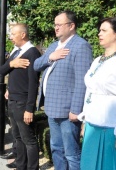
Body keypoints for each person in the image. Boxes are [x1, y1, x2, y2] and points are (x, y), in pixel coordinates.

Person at [33, 11, 92, 170]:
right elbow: (36, 65)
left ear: (71, 26)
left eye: (59, 24)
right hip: (52, 108)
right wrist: (50, 57)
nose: (56, 28)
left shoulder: (81, 46)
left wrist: (76, 110)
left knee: (71, 153)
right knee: (56, 149)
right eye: (55, 24)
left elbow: (82, 81)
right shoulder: (54, 45)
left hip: (68, 111)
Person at [78, 17, 116, 170]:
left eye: (104, 31)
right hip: (93, 126)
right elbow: (90, 90)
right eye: (100, 30)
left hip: (113, 129)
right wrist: (85, 120)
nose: (99, 34)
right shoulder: (98, 60)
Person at [0, 24, 42, 170]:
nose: (10, 37)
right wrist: (12, 63)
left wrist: (30, 108)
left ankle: (32, 167)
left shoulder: (32, 53)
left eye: (13, 34)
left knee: (28, 139)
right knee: (17, 136)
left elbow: (33, 83)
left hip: (22, 102)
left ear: (23, 35)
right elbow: (2, 70)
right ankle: (21, 164)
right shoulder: (16, 52)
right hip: (12, 100)